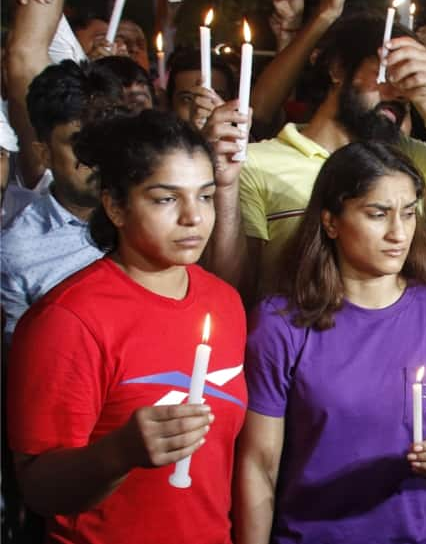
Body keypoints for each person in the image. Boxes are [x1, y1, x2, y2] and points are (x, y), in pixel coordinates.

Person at [6, 109, 248, 544]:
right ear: (116, 206)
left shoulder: (224, 303)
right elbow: (39, 489)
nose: (194, 217)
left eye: (206, 196)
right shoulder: (67, 320)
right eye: (166, 199)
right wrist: (119, 452)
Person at [235, 141, 426, 544]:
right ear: (331, 221)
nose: (398, 233)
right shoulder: (281, 322)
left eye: (408, 213)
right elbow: (258, 462)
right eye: (377, 214)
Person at [230, 12, 426, 301]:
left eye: (410, 80)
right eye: (389, 74)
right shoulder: (255, 163)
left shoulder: (404, 159)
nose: (401, 92)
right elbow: (239, 283)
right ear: (339, 69)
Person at [1, 60, 123, 343]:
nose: (97, 154)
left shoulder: (154, 211)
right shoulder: (16, 251)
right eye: (79, 143)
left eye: (105, 136)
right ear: (44, 154)